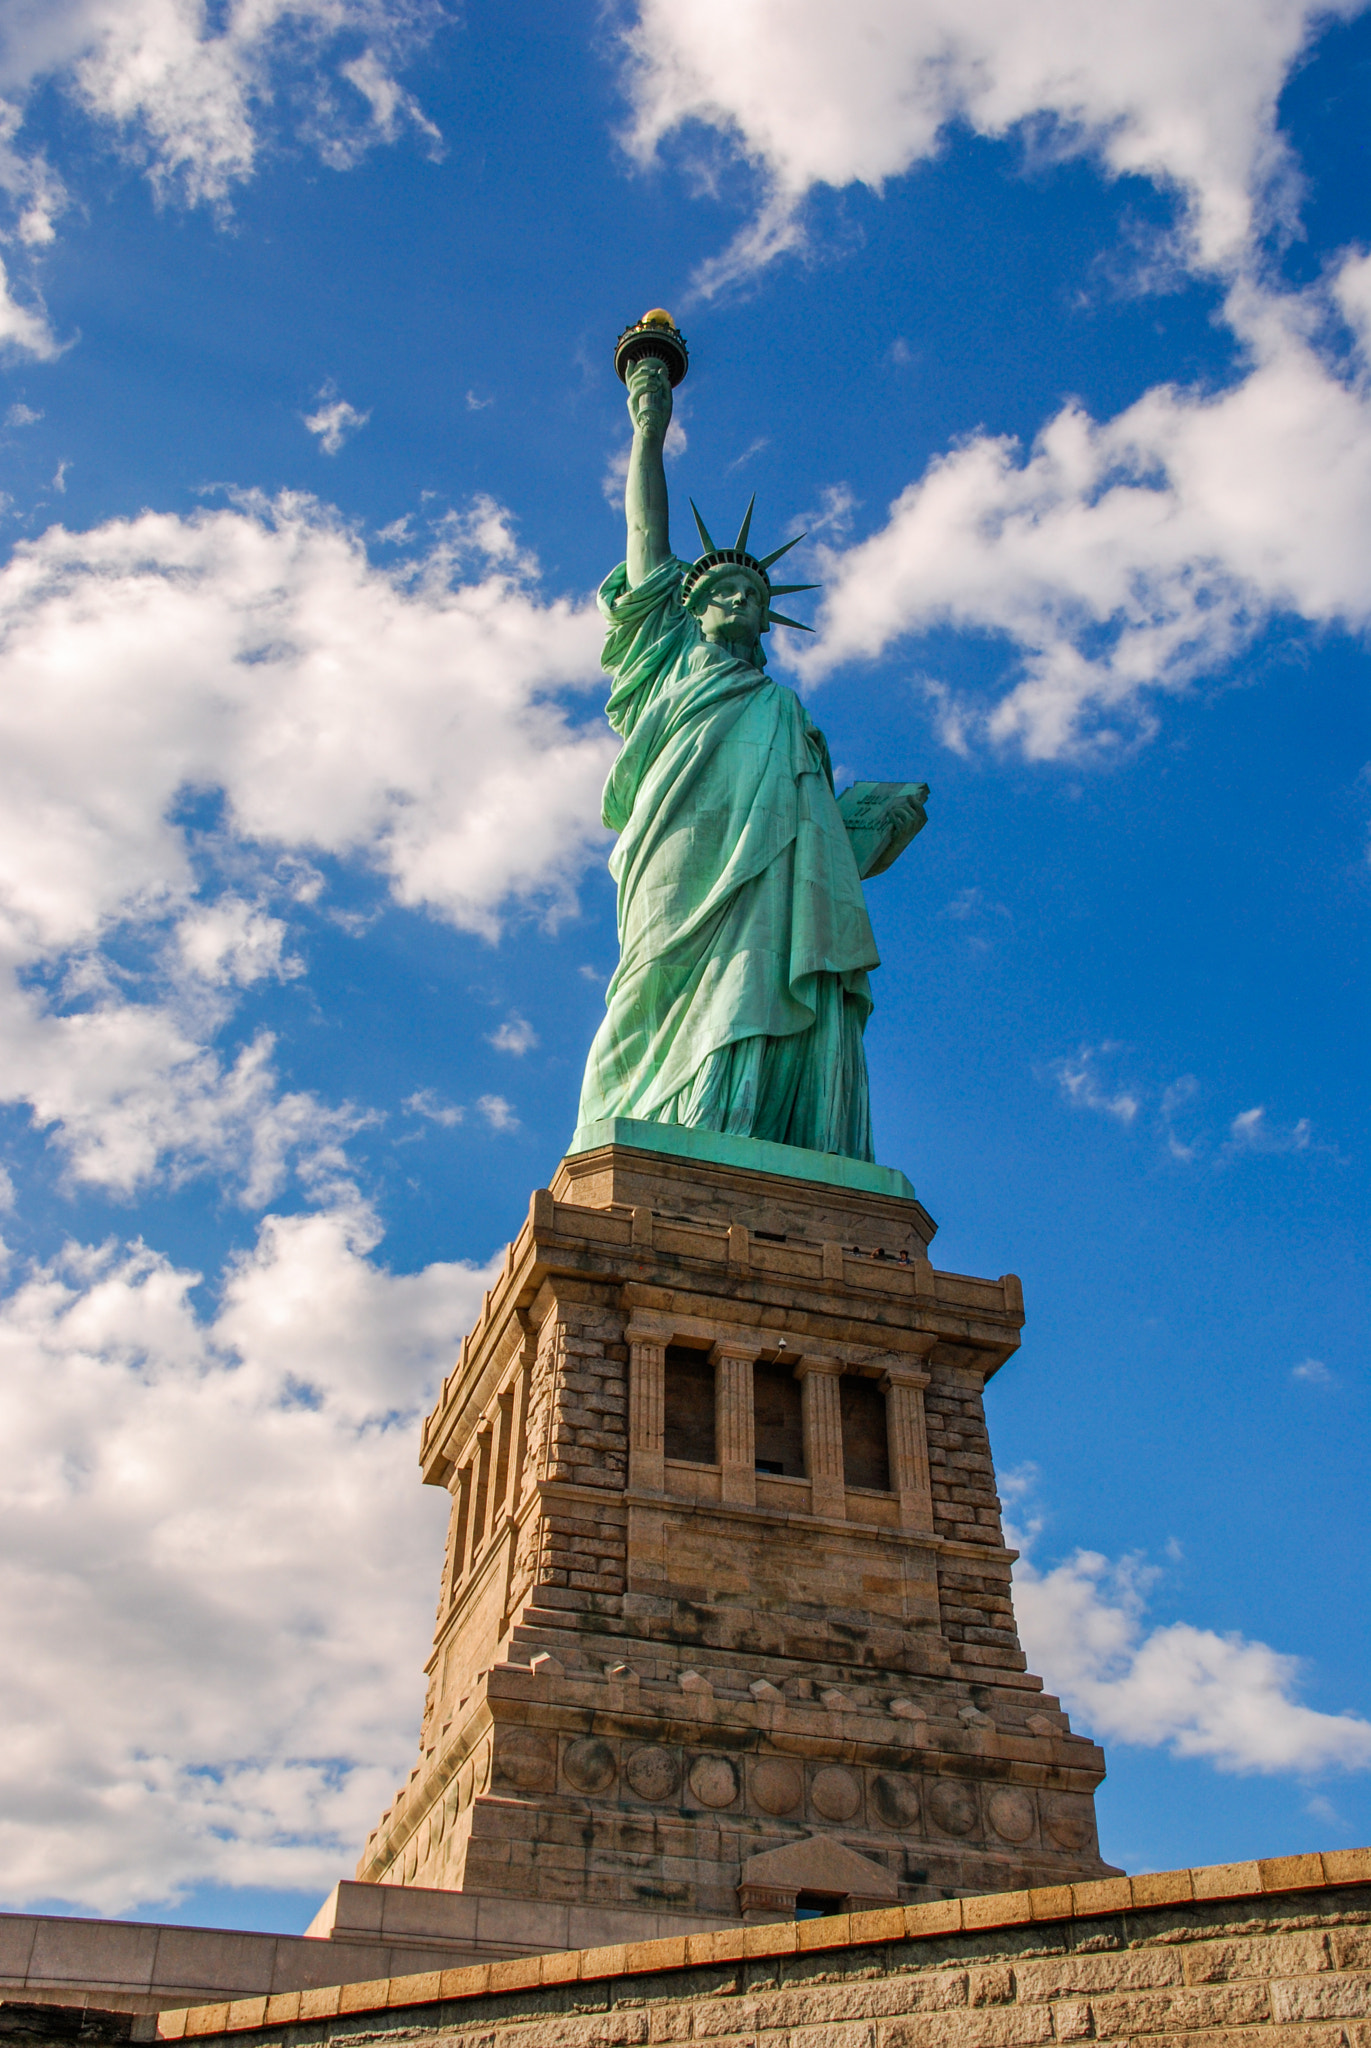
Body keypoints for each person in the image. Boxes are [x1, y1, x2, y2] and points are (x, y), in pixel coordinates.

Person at [574, 350, 925, 1162]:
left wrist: (866, 825)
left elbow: (814, 847)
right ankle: (631, 1134)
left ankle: (750, 1126)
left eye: (754, 597)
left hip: (769, 872)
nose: (738, 600)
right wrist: (647, 430)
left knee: (763, 966)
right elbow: (643, 532)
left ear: (768, 622)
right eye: (719, 593)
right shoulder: (660, 662)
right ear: (686, 609)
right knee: (651, 980)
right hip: (679, 837)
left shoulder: (779, 706)